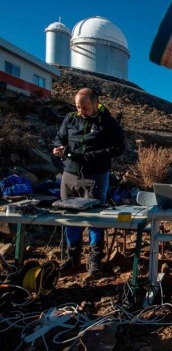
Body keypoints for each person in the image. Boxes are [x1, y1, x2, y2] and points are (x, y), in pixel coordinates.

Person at [53, 88, 125, 277]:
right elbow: (59, 138)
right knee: (70, 216)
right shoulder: (70, 118)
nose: (80, 111)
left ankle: (94, 260)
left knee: (95, 218)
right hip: (69, 173)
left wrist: (89, 157)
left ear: (95, 104)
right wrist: (59, 148)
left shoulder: (107, 122)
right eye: (78, 107)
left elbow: (118, 148)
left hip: (96, 175)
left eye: (84, 108)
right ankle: (72, 257)